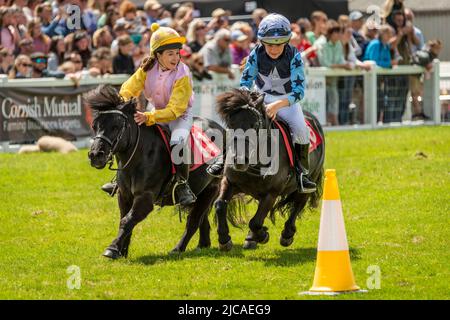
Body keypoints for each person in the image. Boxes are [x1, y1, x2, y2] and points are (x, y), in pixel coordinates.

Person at [208, 13, 316, 193]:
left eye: (279, 45)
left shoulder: (295, 56)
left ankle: (302, 174)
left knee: (301, 130)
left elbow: (299, 92)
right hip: (259, 97)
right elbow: (245, 82)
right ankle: (223, 158)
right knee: (239, 122)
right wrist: (248, 99)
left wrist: (277, 105)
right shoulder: (255, 53)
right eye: (269, 45)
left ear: (287, 42)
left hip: (286, 100)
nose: (273, 49)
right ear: (262, 42)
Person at [101, 23, 197, 205]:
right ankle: (118, 178)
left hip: (180, 115)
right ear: (157, 54)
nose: (176, 58)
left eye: (177, 53)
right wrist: (120, 103)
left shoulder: (183, 73)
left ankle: (182, 184)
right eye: (170, 53)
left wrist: (149, 117)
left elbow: (175, 109)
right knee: (129, 135)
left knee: (177, 141)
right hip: (155, 111)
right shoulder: (146, 68)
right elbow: (128, 88)